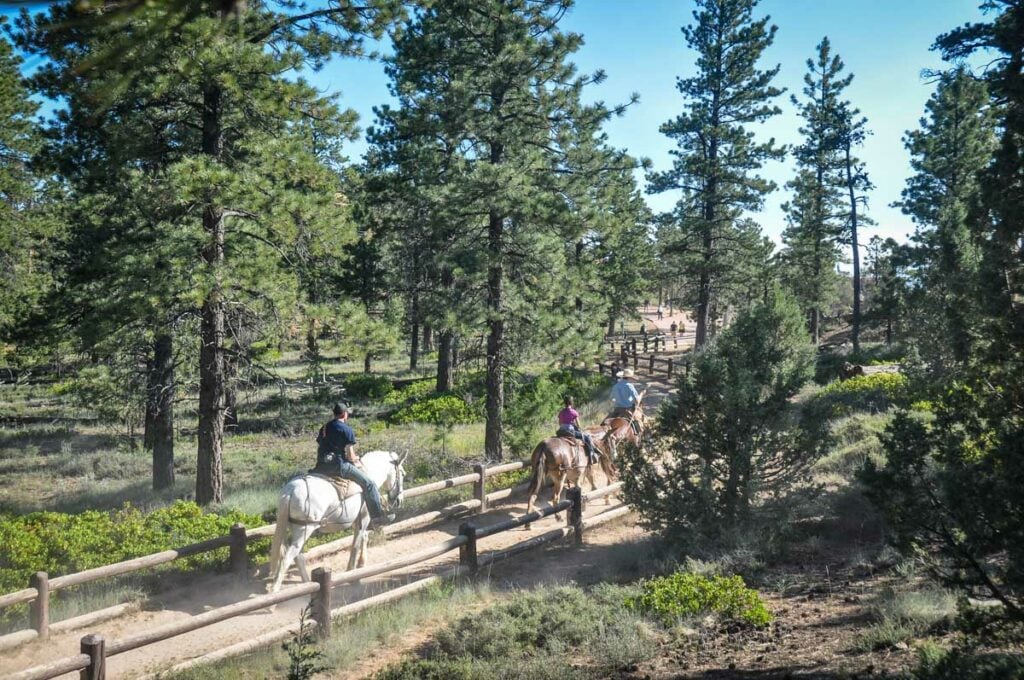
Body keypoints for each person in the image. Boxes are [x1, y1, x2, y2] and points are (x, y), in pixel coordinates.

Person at [316, 403, 393, 527]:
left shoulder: (324, 427)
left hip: (321, 465)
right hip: (338, 466)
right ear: (344, 414)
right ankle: (378, 519)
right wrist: (355, 459)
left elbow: (321, 444)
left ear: (334, 413)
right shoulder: (346, 429)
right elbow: (350, 455)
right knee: (369, 484)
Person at [557, 396, 598, 464]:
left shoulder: (561, 412)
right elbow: (579, 425)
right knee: (587, 438)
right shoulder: (574, 412)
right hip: (570, 431)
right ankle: (592, 455)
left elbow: (560, 423)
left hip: (561, 431)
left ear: (564, 403)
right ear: (572, 403)